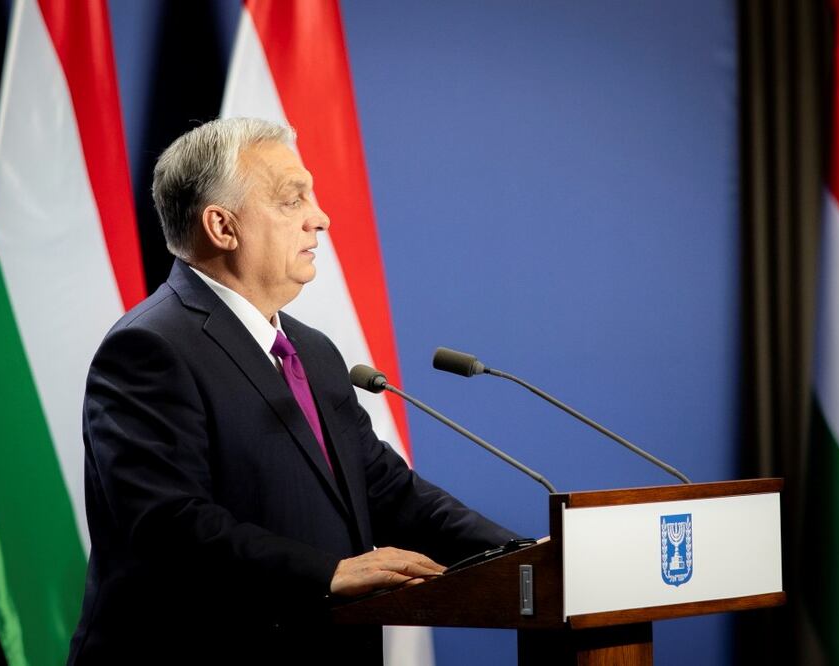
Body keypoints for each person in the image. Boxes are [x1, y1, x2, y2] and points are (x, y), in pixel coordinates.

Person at [67, 117, 517, 665]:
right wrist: (326, 573)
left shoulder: (314, 350)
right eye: (292, 199)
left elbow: (387, 490)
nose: (320, 218)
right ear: (222, 226)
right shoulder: (150, 348)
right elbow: (169, 524)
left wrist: (521, 556)